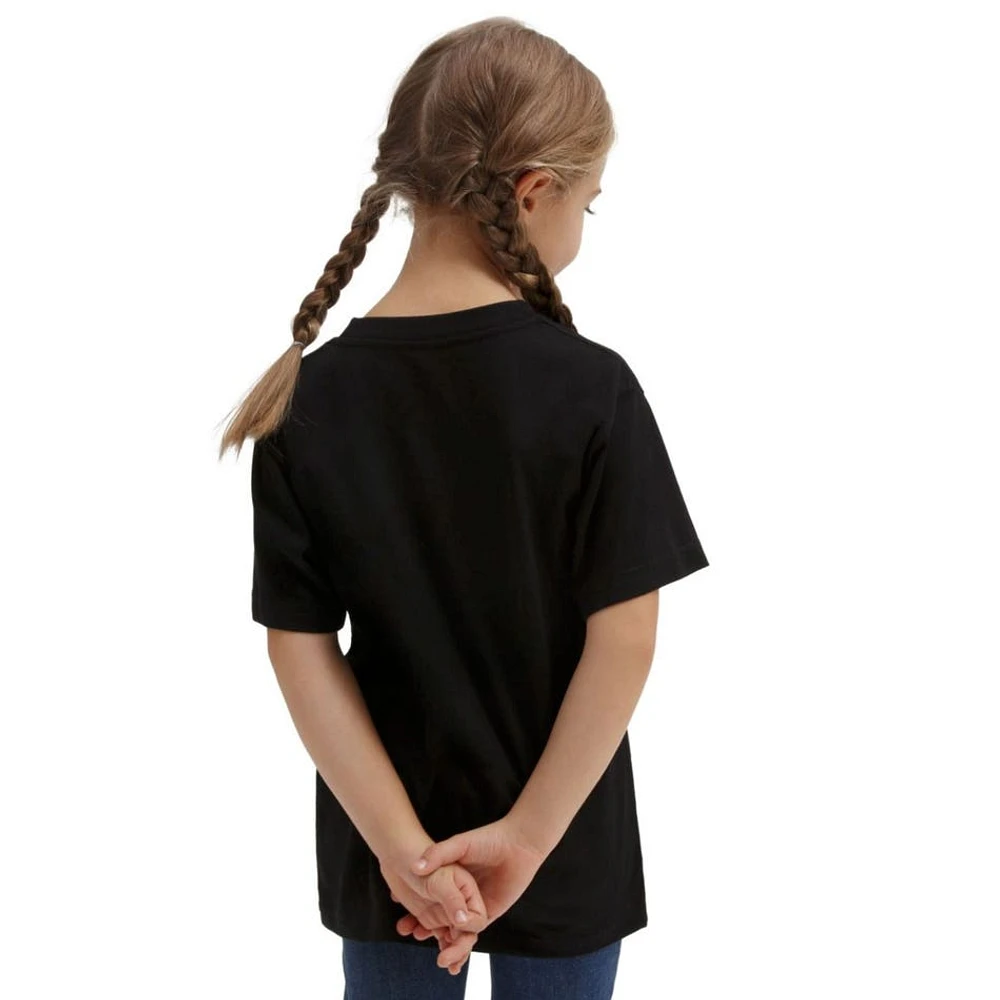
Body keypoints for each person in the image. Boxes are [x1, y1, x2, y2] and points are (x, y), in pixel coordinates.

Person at [218, 15, 709, 999]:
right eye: (588, 203)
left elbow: (299, 647)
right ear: (533, 192)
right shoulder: (593, 389)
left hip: (391, 867)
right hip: (563, 848)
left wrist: (404, 851)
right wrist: (526, 838)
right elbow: (625, 640)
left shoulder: (307, 399)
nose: (582, 228)